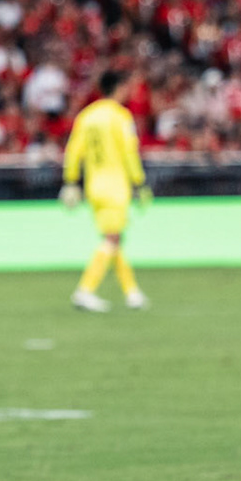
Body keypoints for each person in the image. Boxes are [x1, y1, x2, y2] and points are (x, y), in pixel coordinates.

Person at [61, 71, 150, 312]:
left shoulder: (87, 116)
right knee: (112, 240)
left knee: (114, 239)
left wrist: (70, 181)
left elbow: (73, 151)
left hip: (94, 187)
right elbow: (129, 152)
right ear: (119, 87)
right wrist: (139, 183)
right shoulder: (121, 117)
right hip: (115, 186)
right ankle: (85, 290)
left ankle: (132, 292)